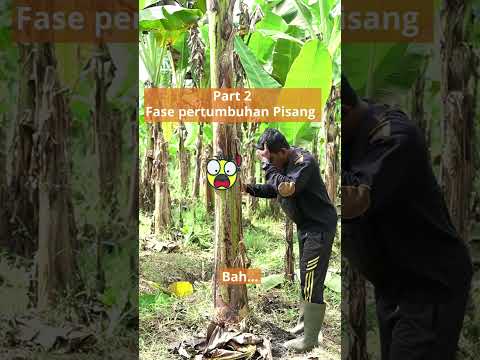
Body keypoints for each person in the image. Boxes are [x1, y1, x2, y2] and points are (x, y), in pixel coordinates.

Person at [341, 75, 473, 360]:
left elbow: (355, 199)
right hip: (394, 283)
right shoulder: (351, 135)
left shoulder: (393, 136)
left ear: (345, 110)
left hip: (429, 284)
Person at [243, 128, 337, 353]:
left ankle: (310, 340)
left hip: (319, 227)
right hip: (306, 226)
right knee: (306, 275)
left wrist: (267, 165)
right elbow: (274, 188)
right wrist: (248, 189)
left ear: (284, 151)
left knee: (312, 277)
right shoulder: (283, 165)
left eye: (272, 157)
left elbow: (285, 188)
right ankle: (306, 325)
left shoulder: (304, 162)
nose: (270, 163)